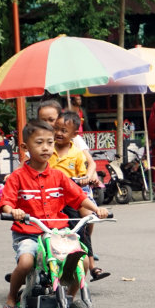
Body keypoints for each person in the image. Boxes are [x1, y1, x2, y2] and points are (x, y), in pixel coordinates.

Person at [0, 119, 109, 308]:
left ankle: (68, 298)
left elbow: (79, 197)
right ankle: (12, 297)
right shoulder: (17, 177)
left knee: (82, 263)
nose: (45, 148)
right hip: (30, 234)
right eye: (39, 143)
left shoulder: (59, 176)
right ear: (25, 147)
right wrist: (13, 211)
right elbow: (6, 202)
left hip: (58, 233)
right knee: (25, 262)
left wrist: (97, 209)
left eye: (50, 143)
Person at [49, 111, 109, 282]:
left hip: (70, 197)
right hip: (49, 197)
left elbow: (83, 173)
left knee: (81, 226)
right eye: (57, 129)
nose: (59, 133)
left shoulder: (76, 153)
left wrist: (86, 179)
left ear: (74, 135)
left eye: (64, 131)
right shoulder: (47, 148)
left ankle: (88, 264)